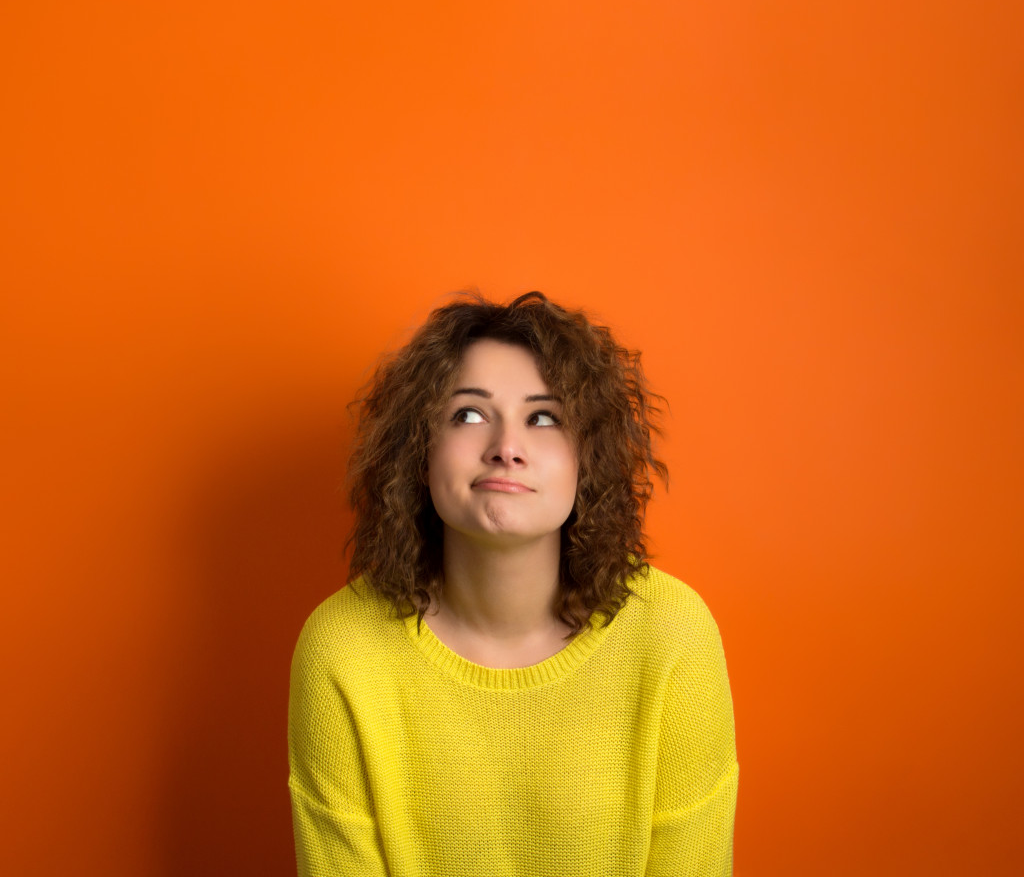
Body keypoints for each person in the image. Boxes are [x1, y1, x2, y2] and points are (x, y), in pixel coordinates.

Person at [288, 292, 738, 877]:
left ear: (589, 459)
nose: (506, 448)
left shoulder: (672, 634)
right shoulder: (343, 651)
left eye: (544, 417)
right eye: (468, 415)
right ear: (419, 453)